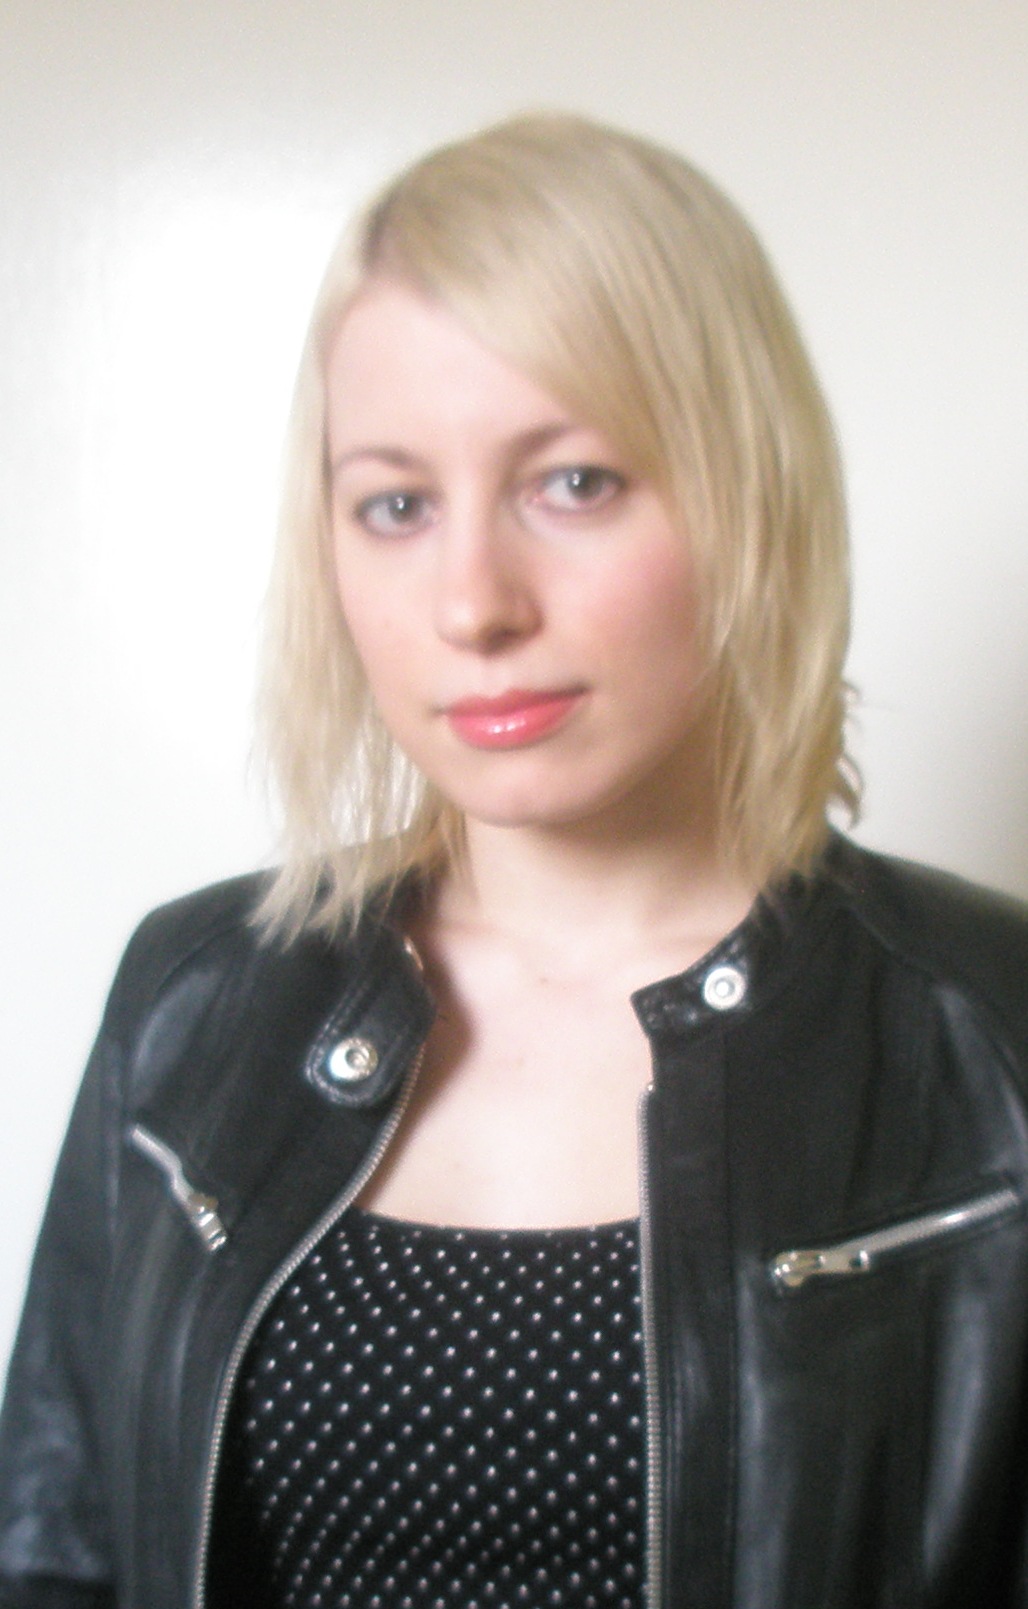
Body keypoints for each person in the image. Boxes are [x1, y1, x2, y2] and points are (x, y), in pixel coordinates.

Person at [0, 111, 1026, 1609]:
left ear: (747, 492)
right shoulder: (195, 998)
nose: (473, 602)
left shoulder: (991, 1035)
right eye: (396, 505)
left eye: (574, 482)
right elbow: (56, 1555)